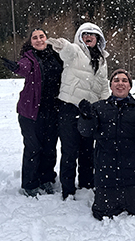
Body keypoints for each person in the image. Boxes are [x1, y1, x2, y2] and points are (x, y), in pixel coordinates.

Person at [78, 69, 135, 220]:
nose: (120, 83)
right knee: (102, 214)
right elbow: (86, 132)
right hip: (107, 173)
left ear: (130, 86)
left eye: (124, 80)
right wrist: (86, 117)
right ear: (110, 86)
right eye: (116, 80)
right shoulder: (98, 108)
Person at [46, 22, 110, 200]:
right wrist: (61, 44)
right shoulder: (75, 52)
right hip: (70, 107)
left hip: (90, 111)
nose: (89, 37)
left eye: (92, 35)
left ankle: (87, 185)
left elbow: (103, 85)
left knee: (88, 150)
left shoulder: (102, 59)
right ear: (80, 37)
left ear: (98, 38)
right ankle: (68, 189)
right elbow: (67, 50)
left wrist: (105, 106)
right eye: (85, 34)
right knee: (69, 150)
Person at [2, 28, 63, 197]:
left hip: (54, 109)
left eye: (41, 36)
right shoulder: (29, 57)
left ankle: (47, 179)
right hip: (31, 111)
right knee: (33, 147)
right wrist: (16, 67)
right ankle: (30, 183)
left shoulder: (57, 56)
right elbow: (24, 68)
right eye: (34, 38)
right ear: (30, 42)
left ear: (47, 38)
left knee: (50, 147)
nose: (38, 40)